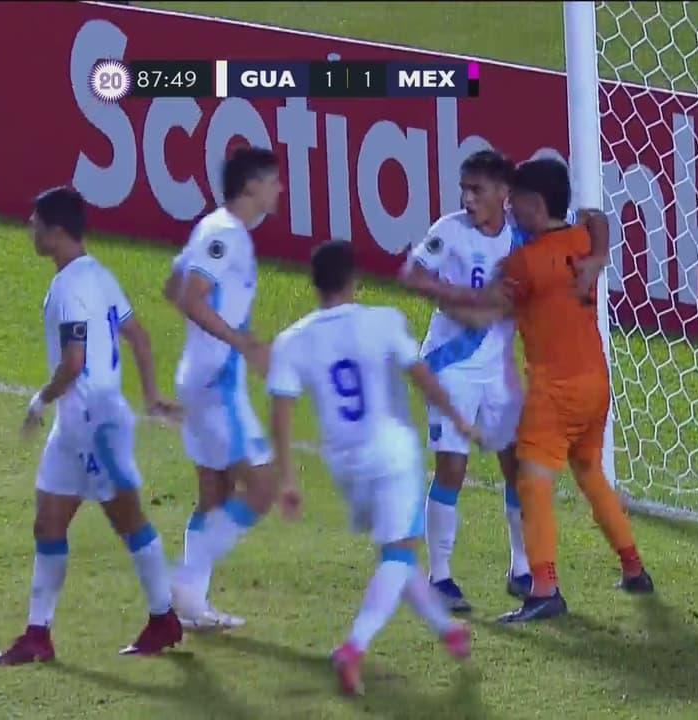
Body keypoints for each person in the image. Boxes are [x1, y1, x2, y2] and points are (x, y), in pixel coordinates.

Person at [398, 150, 612, 611]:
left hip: (498, 370)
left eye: (477, 190)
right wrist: (457, 298)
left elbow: (593, 218)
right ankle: (440, 578)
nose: (467, 199)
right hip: (451, 366)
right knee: (452, 468)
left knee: (517, 466)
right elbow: (412, 274)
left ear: (503, 193)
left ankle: (521, 569)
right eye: (464, 189)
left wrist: (598, 257)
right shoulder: (450, 231)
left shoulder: (522, 231)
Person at [267, 240, 474, 696]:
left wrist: (288, 480)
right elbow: (422, 377)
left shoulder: (292, 341)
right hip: (391, 453)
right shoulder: (382, 321)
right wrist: (458, 418)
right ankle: (354, 647)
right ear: (354, 280)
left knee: (396, 554)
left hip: (344, 464)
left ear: (315, 284)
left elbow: (280, 415)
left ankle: (448, 631)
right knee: (398, 554)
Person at [0, 186, 183, 665]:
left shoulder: (70, 286)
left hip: (95, 424)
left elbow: (74, 362)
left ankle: (164, 618)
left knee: (128, 521)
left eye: (35, 222)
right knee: (48, 523)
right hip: (74, 425)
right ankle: (38, 635)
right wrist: (151, 394)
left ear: (56, 231)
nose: (29, 228)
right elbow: (138, 335)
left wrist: (40, 399)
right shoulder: (99, 275)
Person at [458, 158, 654, 624]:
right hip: (595, 383)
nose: (509, 208)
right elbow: (597, 217)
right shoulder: (582, 239)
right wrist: (599, 256)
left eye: (516, 201)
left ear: (535, 204)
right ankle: (633, 568)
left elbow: (483, 312)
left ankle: (544, 589)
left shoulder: (524, 263)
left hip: (555, 392)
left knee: (532, 484)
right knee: (590, 473)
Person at [162, 146, 281, 631]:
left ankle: (192, 605)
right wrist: (241, 342)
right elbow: (190, 298)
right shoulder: (227, 234)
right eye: (272, 181)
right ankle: (182, 582)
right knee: (262, 488)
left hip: (200, 375)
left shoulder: (211, 228)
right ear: (251, 186)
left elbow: (173, 286)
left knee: (214, 491)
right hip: (218, 383)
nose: (279, 189)